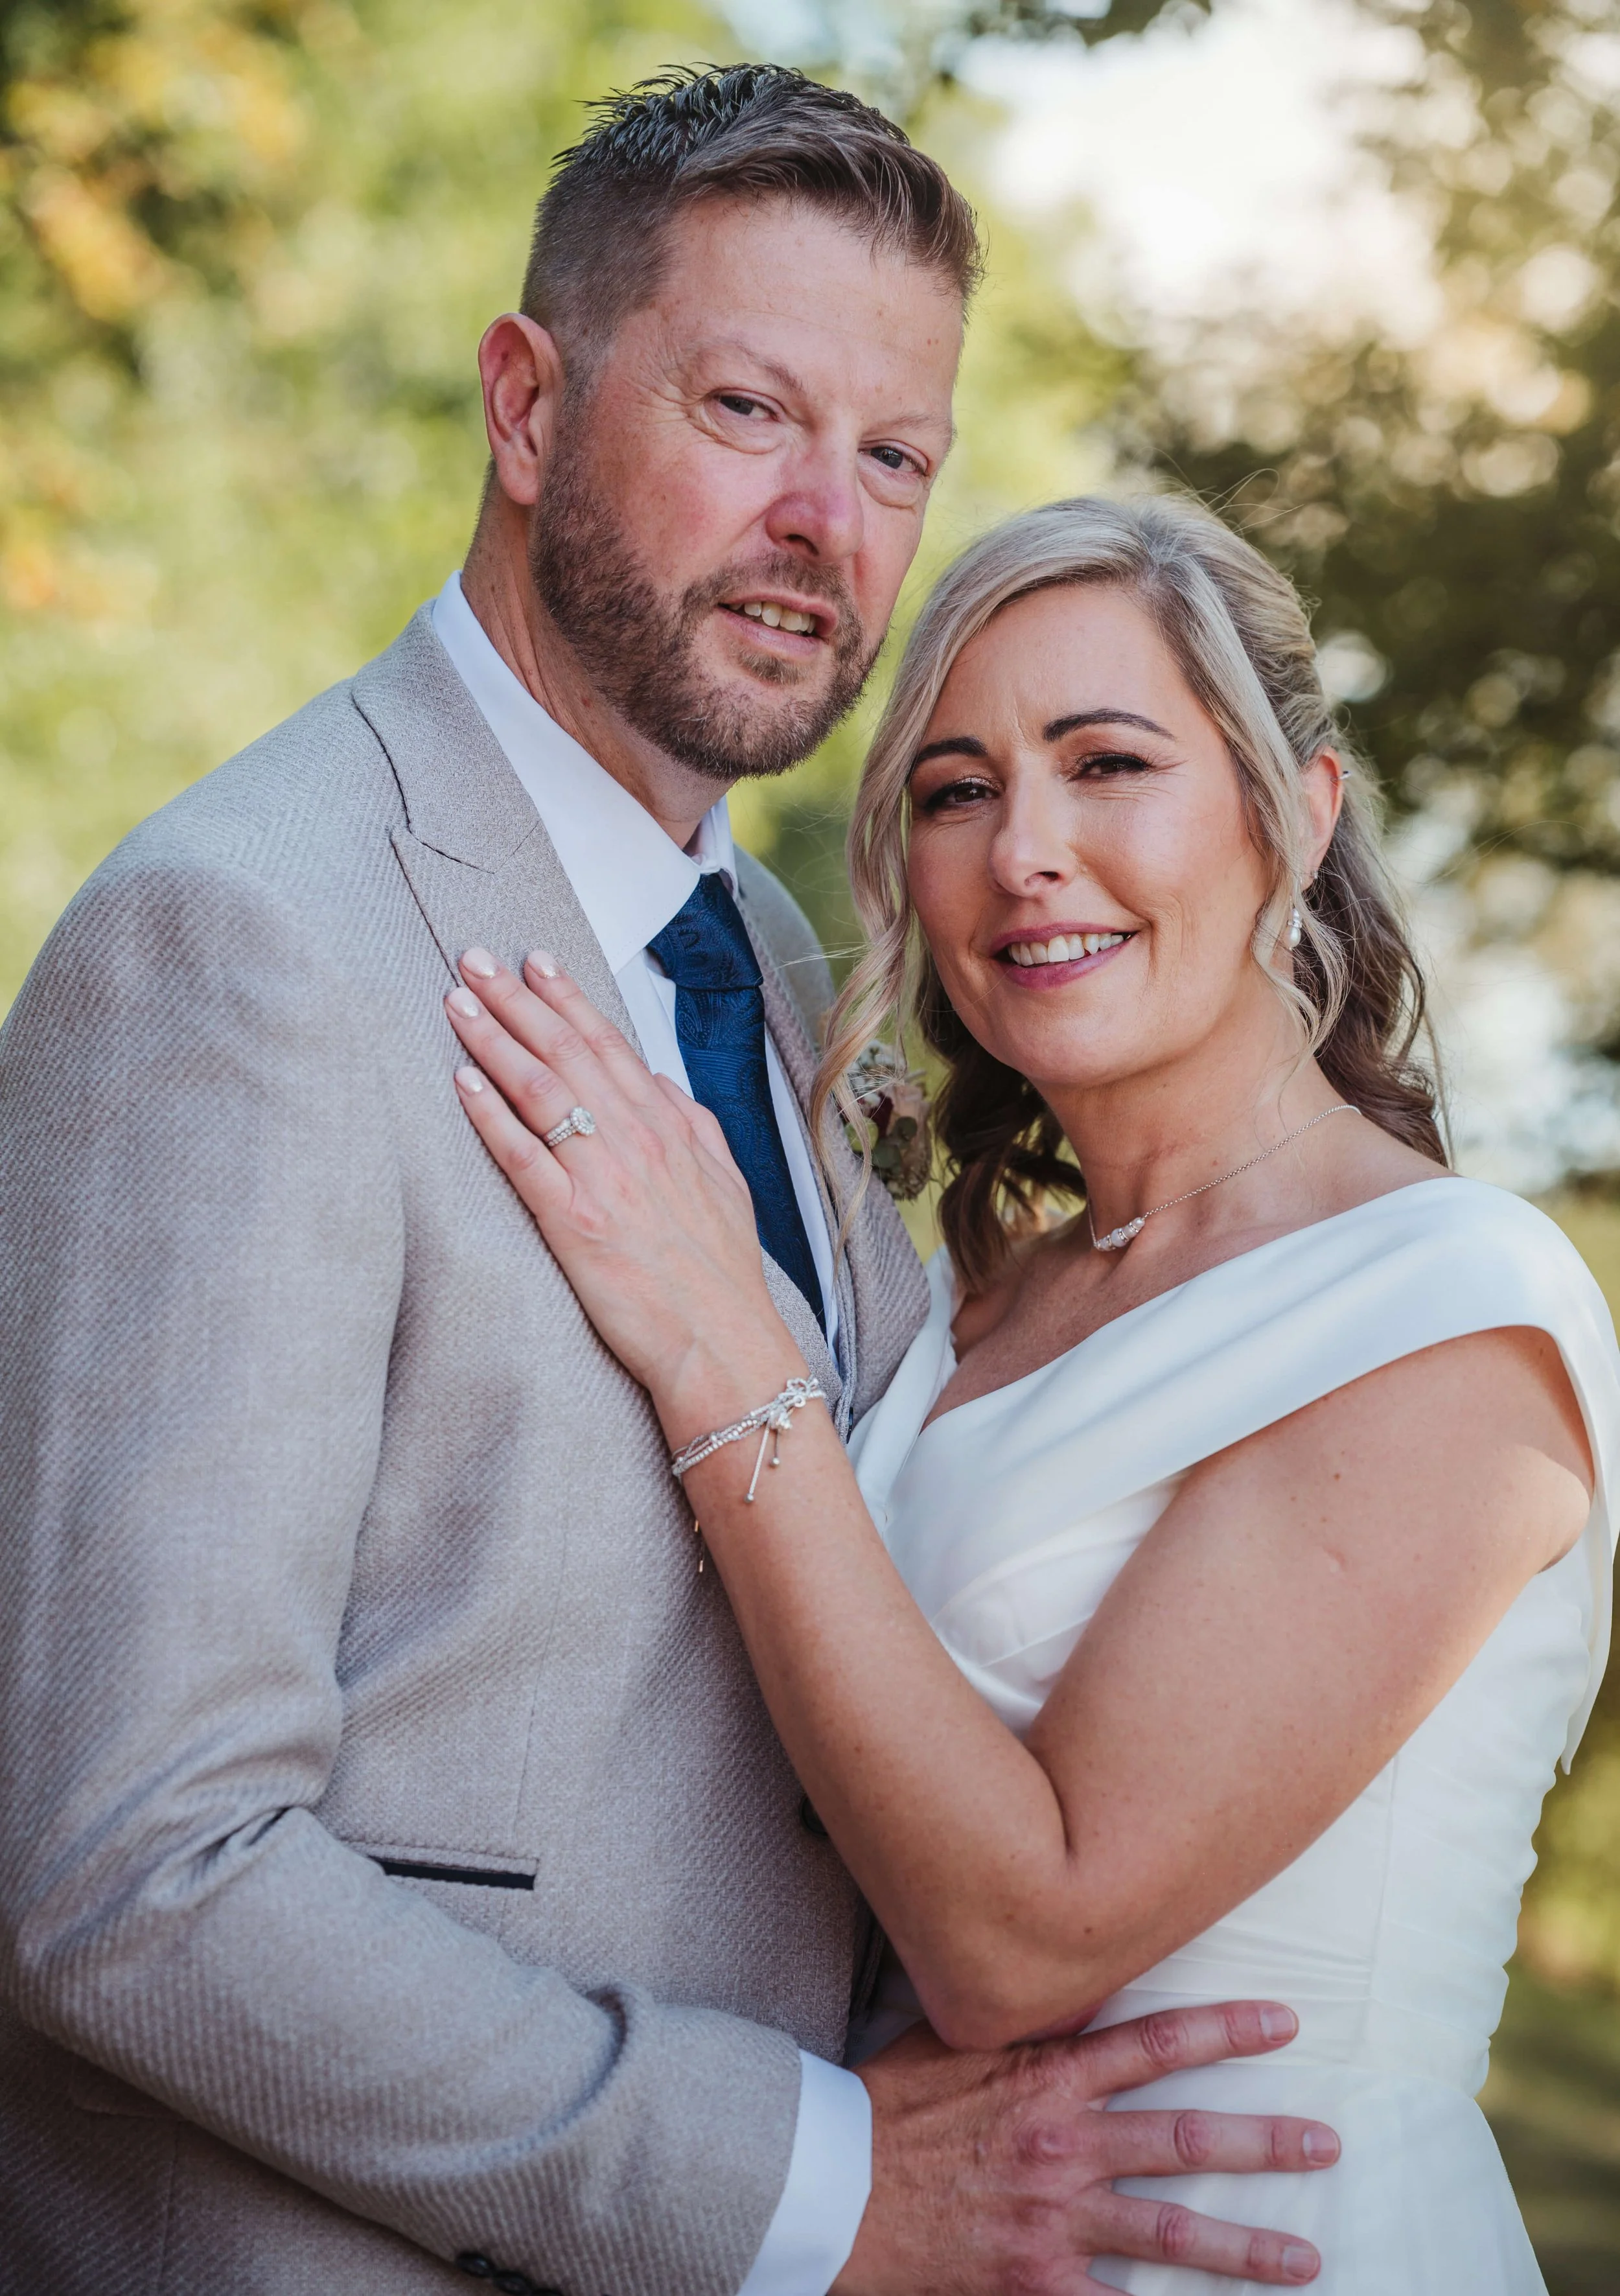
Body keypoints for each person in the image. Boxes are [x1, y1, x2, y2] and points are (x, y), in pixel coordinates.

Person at [0, 70, 1338, 2296]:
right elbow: (132, 1866)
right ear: (527, 405)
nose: (827, 519)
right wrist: (815, 2187)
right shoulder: (245, 941)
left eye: (894, 453)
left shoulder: (784, 963)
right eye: (746, 409)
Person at [439, 491, 1620, 2295]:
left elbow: (1022, 1932)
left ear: (1292, 814)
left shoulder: (1447, 1309)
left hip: (1261, 2244)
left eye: (1106, 763)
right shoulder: (985, 1292)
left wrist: (722, 1353)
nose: (1025, 853)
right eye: (958, 788)